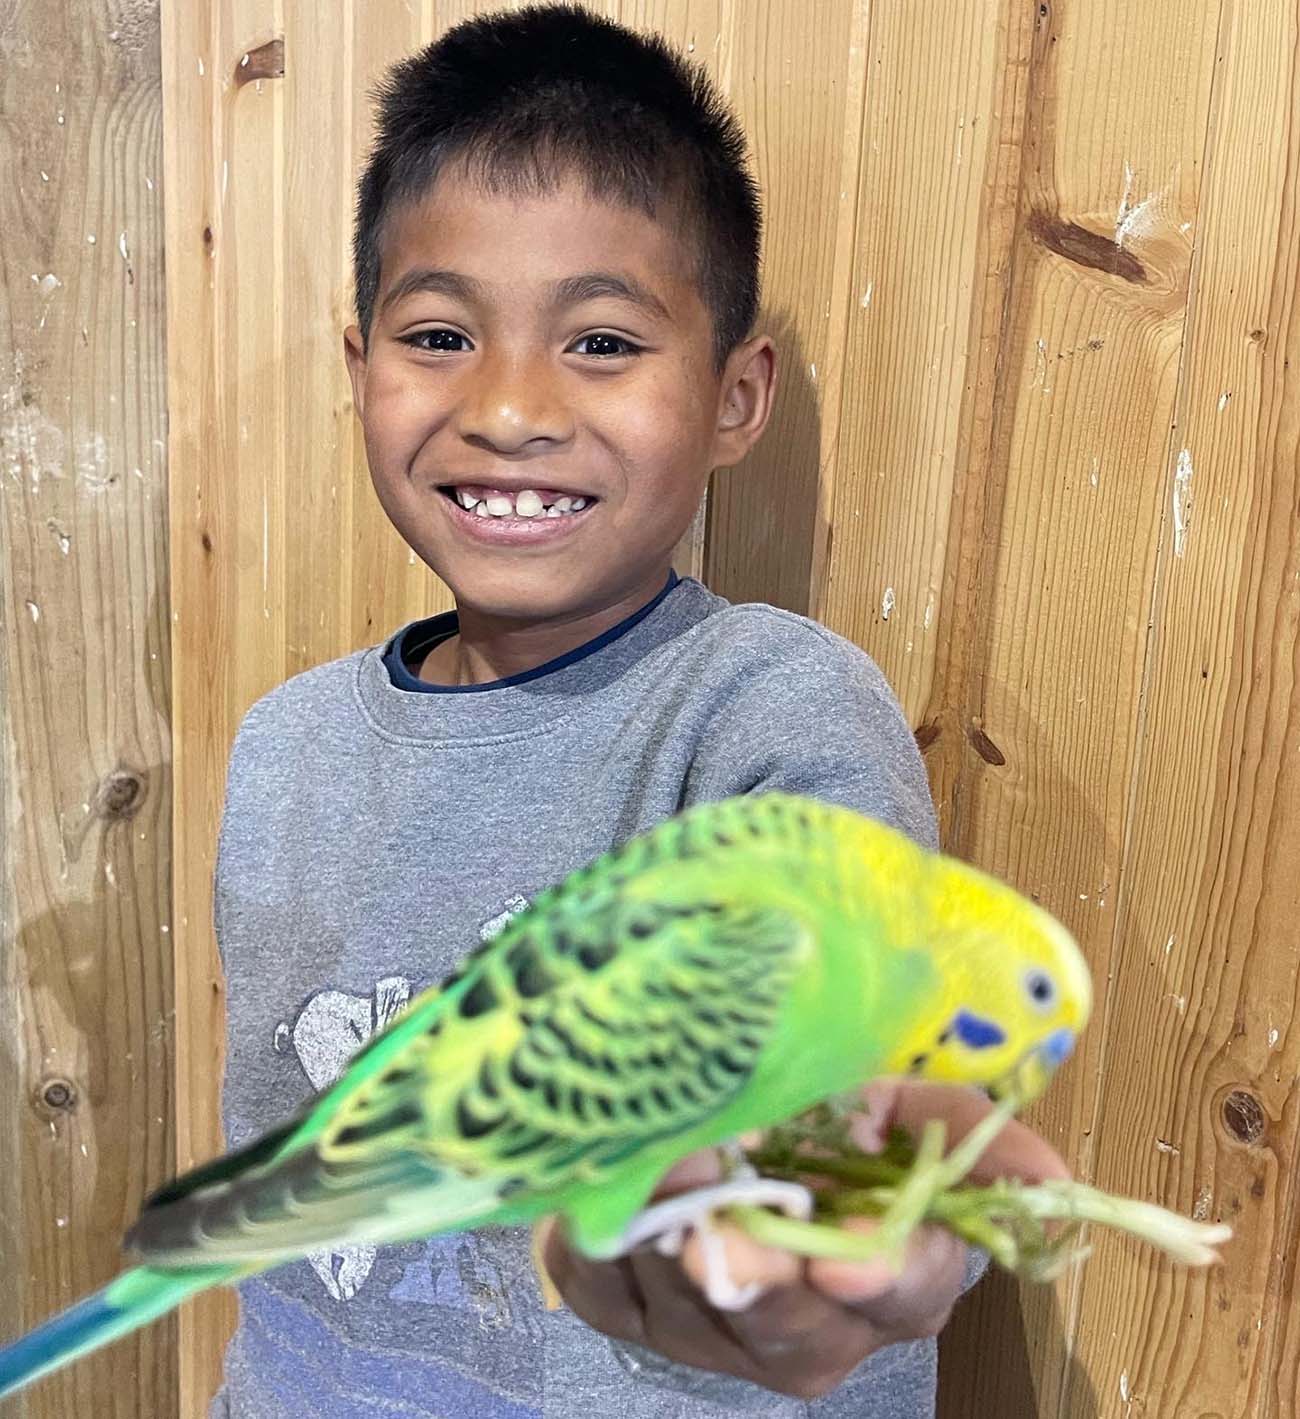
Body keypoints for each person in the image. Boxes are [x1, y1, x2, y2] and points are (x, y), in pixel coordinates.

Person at [210, 5, 1068, 1415]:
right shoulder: (286, 746)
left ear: (735, 399)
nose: (508, 407)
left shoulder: (765, 715)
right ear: (359, 366)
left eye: (601, 343)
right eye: (439, 334)